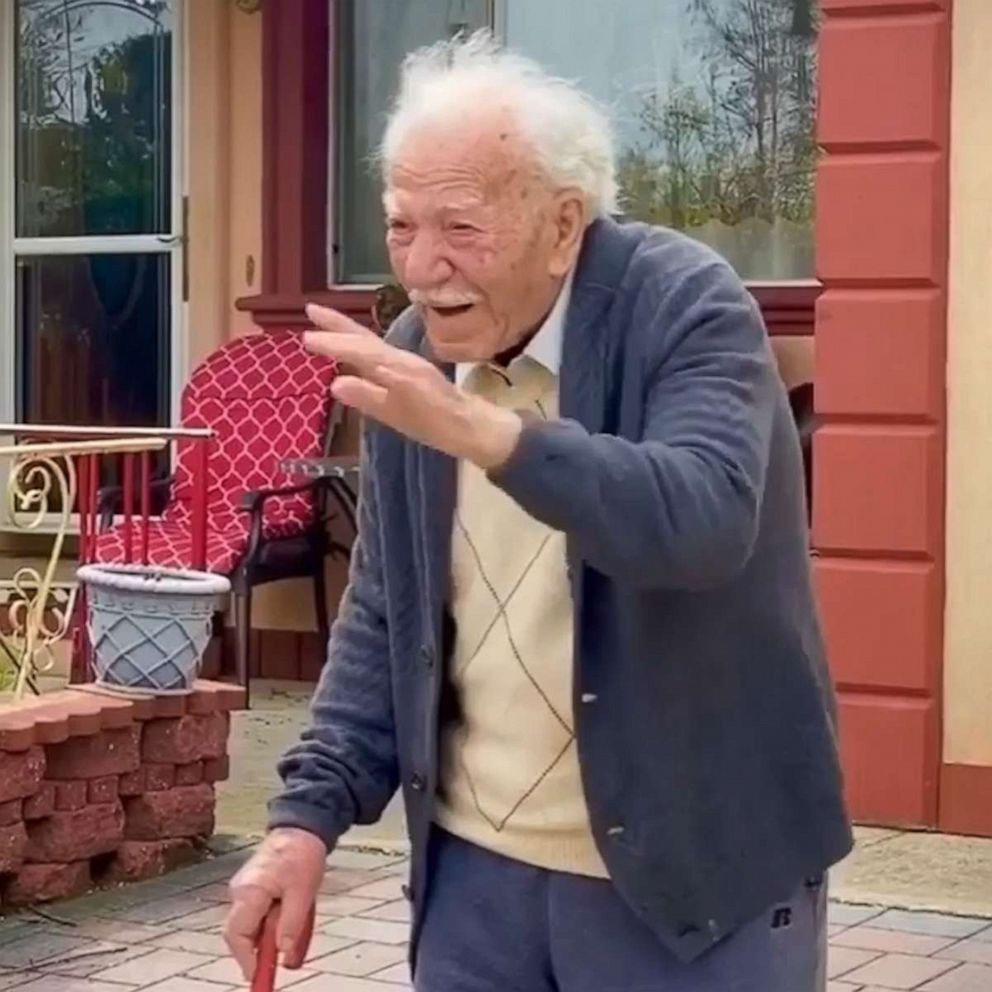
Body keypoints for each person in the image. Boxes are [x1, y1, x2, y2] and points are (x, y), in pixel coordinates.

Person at [224, 31, 852, 992]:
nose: (424, 266)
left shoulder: (684, 304)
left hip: (694, 883)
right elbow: (386, 614)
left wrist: (483, 432)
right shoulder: (413, 354)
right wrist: (302, 823)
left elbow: (704, 519)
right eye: (400, 226)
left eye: (462, 228)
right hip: (476, 877)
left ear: (565, 225)